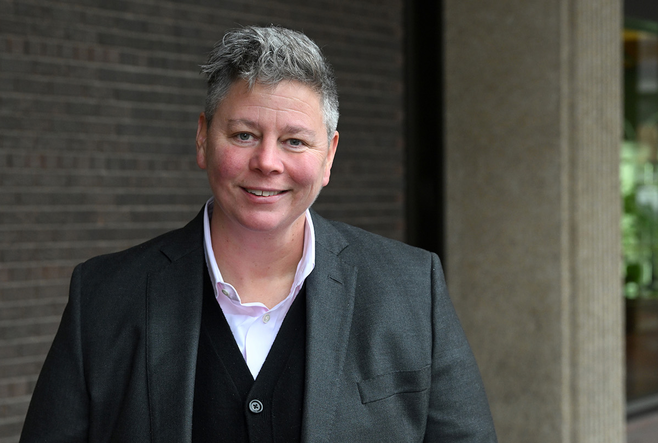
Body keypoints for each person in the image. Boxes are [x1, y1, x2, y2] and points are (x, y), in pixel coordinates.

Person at [20, 26, 497, 442]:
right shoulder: (104, 298)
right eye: (245, 134)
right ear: (203, 138)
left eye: (295, 140)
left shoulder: (412, 288)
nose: (267, 162)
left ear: (328, 156)